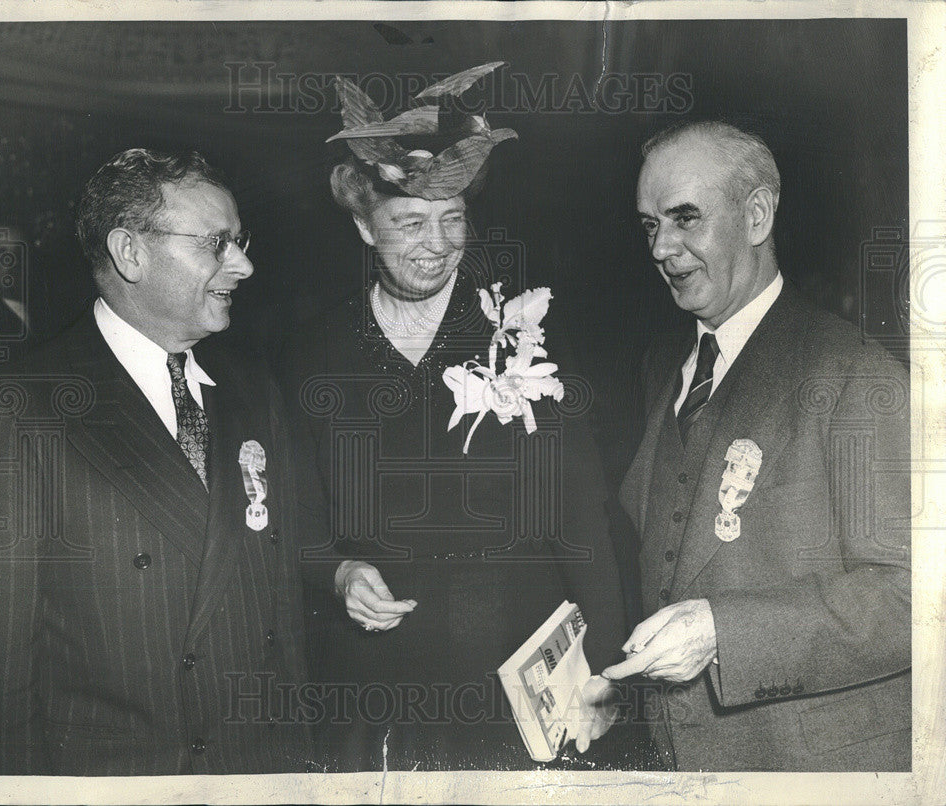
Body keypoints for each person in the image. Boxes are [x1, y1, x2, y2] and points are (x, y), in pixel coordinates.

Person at [277, 66, 641, 771]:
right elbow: (294, 518)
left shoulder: (522, 330)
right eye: (410, 223)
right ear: (362, 224)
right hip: (377, 679)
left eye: (453, 221)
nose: (437, 245)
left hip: (517, 671)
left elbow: (582, 516)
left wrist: (603, 671)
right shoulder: (311, 352)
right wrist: (339, 571)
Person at [0, 148, 320, 774]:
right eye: (217, 244)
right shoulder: (22, 405)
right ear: (130, 253)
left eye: (240, 240)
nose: (243, 264)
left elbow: (280, 613)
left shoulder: (253, 388)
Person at [577, 121, 911, 771]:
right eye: (650, 225)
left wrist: (721, 631)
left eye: (685, 219)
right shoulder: (663, 364)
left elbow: (917, 596)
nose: (661, 247)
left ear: (757, 216)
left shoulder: (855, 376)